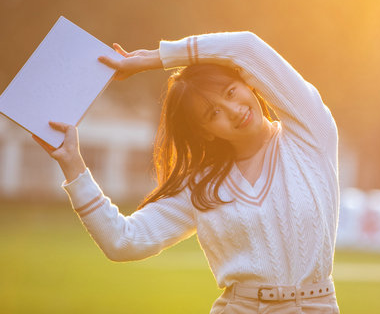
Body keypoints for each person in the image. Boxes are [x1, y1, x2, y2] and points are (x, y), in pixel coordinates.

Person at [34, 31, 340, 313]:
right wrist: (73, 164)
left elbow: (245, 48)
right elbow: (123, 241)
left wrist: (151, 59)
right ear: (205, 132)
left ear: (250, 83)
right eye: (213, 113)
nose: (234, 110)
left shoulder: (311, 134)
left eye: (231, 92)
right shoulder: (202, 187)